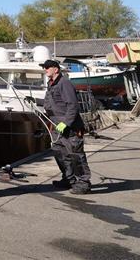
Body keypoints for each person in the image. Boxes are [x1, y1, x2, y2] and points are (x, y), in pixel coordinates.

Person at [40, 59, 92, 194]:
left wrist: (66, 123)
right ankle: (69, 179)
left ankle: (83, 183)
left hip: (70, 128)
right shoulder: (51, 84)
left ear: (55, 69)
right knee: (59, 153)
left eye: (47, 67)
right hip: (57, 127)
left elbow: (73, 105)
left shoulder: (64, 83)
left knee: (75, 154)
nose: (45, 70)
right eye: (44, 67)